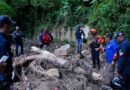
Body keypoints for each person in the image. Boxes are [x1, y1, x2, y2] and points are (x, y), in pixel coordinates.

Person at [0, 15, 14, 89]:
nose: (11, 28)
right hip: (3, 80)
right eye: (10, 26)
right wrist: (4, 81)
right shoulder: (4, 42)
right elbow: (2, 64)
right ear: (5, 26)